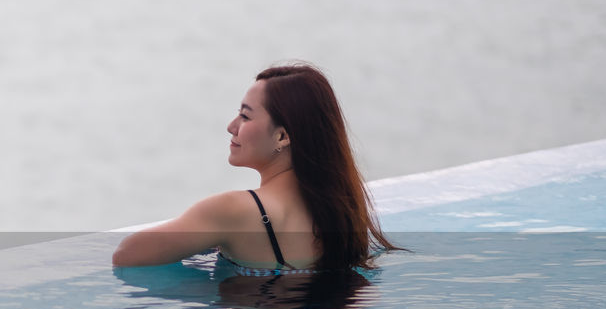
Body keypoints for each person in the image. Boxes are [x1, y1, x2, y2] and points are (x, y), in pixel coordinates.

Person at [111, 63, 399, 273]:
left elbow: (126, 255)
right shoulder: (342, 205)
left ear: (282, 137)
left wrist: (207, 238)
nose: (231, 126)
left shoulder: (232, 211)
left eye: (245, 116)